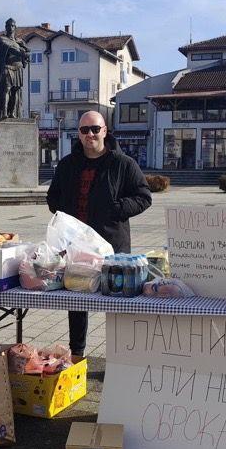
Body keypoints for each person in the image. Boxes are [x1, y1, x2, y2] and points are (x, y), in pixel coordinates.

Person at [47, 111, 152, 360]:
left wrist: (117, 209)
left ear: (105, 130)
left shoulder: (123, 163)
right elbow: (53, 196)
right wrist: (65, 217)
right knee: (76, 301)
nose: (90, 134)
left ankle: (120, 358)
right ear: (79, 134)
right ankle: (77, 354)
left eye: (95, 129)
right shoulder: (67, 165)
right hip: (77, 247)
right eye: (84, 130)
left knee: (116, 303)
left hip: (112, 247)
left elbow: (144, 197)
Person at [0, 18, 30, 119]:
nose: (10, 27)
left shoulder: (19, 41)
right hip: (8, 67)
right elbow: (10, 49)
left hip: (18, 68)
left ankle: (12, 112)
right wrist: (22, 53)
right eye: (8, 25)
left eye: (12, 25)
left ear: (15, 27)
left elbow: (28, 52)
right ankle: (4, 112)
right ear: (5, 27)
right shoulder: (2, 39)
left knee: (15, 91)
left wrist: (25, 50)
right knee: (6, 89)